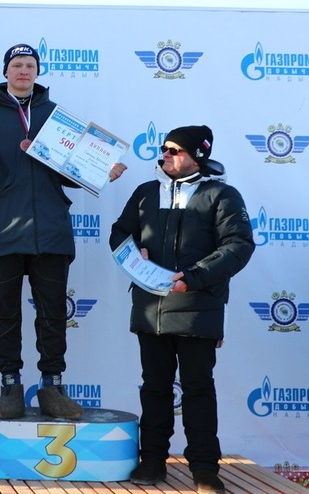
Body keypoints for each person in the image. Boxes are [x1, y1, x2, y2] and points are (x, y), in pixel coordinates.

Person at [0, 43, 126, 420]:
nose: (24, 71)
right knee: (5, 312)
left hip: (50, 229)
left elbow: (75, 175)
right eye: (17, 65)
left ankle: (52, 386)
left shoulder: (56, 116)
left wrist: (100, 171)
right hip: (3, 229)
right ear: (5, 70)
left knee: (52, 313)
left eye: (30, 65)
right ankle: (10, 385)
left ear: (37, 71)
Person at [109, 125, 254, 493]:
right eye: (164, 149)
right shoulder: (145, 193)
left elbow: (238, 245)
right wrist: (134, 251)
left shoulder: (221, 195)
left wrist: (193, 277)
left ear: (197, 155)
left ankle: (205, 469)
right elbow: (119, 232)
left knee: (197, 388)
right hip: (149, 309)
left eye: (174, 150)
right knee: (154, 388)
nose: (165, 155)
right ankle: (153, 459)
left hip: (197, 307)